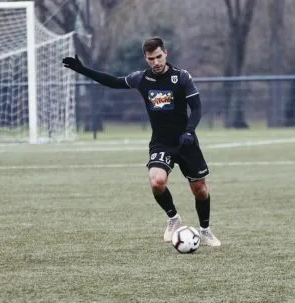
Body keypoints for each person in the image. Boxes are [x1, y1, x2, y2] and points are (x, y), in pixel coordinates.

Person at [62, 36, 221, 247]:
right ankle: (173, 219)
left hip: (186, 141)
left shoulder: (182, 77)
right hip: (161, 143)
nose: (155, 62)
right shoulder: (141, 79)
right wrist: (84, 70)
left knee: (200, 189)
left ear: (166, 54)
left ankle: (205, 231)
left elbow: (197, 108)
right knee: (157, 181)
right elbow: (113, 81)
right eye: (150, 59)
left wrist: (190, 132)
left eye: (158, 57)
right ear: (145, 58)